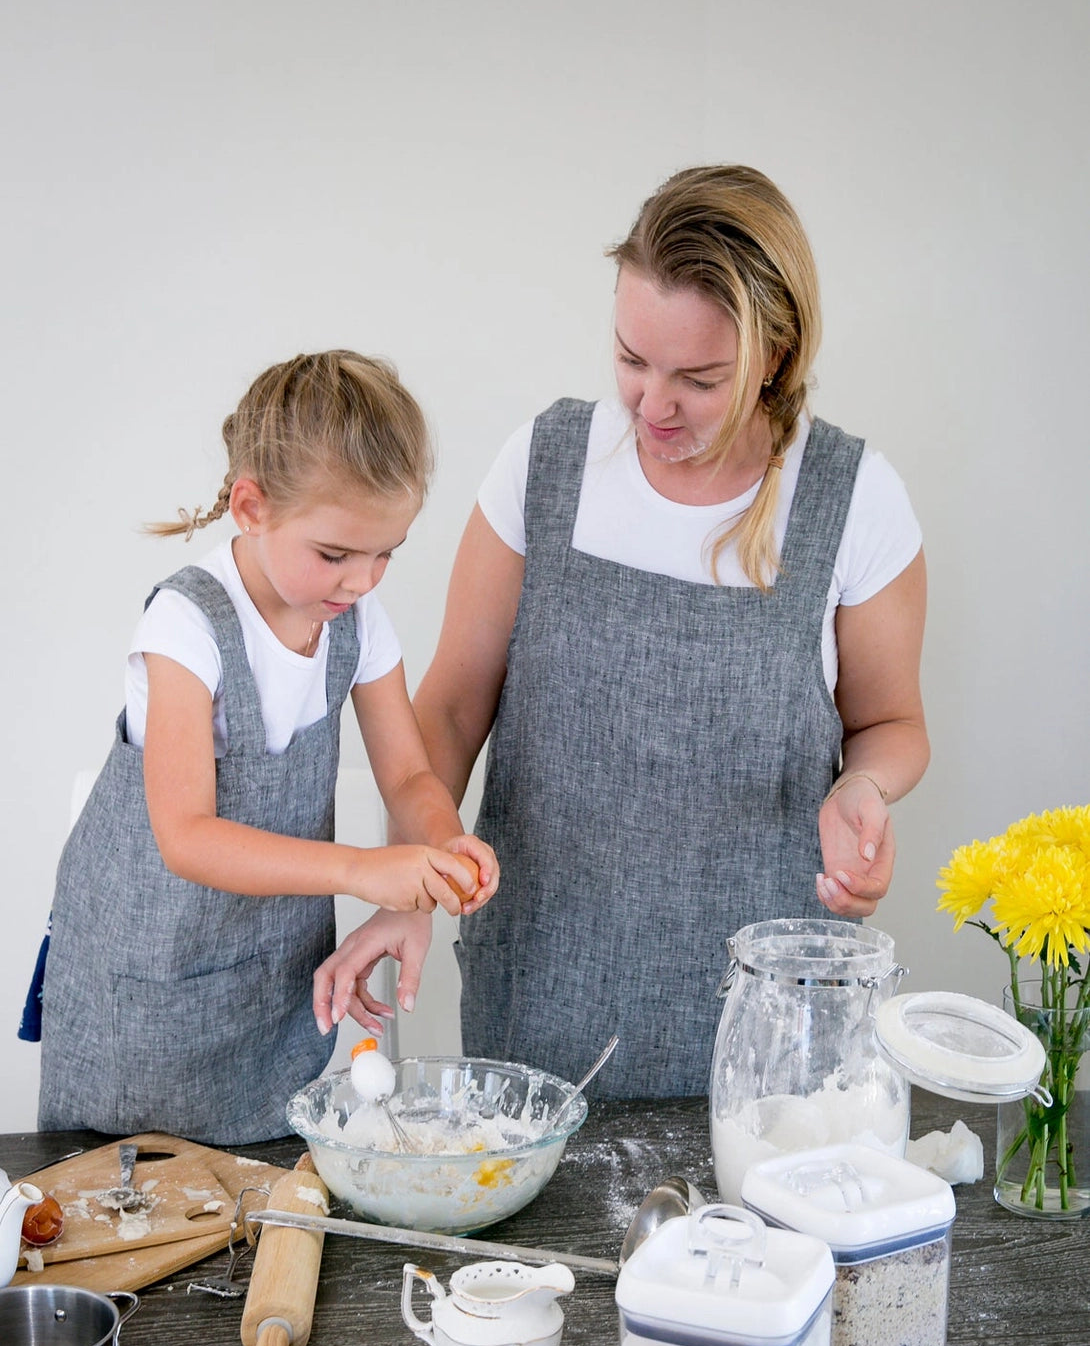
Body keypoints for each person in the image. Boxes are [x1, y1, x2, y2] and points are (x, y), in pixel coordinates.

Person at [314, 166, 929, 1096]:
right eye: (632, 358)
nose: (653, 404)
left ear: (777, 352)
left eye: (698, 378)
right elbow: (443, 717)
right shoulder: (546, 465)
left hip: (768, 1044)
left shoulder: (854, 499)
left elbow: (891, 725)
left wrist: (865, 790)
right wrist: (414, 880)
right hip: (541, 1010)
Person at [37, 350, 498, 1143]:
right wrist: (362, 870)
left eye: (387, 552)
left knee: (268, 1195)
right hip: (146, 1008)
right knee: (133, 1199)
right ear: (252, 507)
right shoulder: (187, 627)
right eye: (336, 554)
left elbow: (410, 773)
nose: (362, 581)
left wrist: (440, 842)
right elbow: (186, 838)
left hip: (268, 1000)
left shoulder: (356, 620)